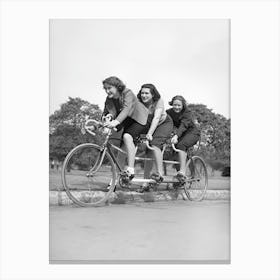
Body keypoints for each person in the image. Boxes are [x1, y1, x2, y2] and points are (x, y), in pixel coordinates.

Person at [102, 76, 149, 180]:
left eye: (109, 88)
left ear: (117, 86)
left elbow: (126, 109)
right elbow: (106, 113)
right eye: (105, 88)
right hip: (126, 121)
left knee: (127, 137)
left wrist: (116, 122)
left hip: (140, 120)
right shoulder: (109, 99)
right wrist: (103, 122)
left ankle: (131, 170)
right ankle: (114, 182)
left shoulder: (127, 93)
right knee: (121, 153)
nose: (107, 91)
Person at [137, 84, 173, 183]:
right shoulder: (139, 102)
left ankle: (160, 174)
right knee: (148, 151)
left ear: (153, 94)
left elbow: (156, 118)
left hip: (164, 124)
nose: (144, 95)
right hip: (151, 124)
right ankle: (146, 182)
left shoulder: (158, 101)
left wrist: (149, 134)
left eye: (146, 93)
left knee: (155, 144)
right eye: (142, 93)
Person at [166, 95, 200, 180]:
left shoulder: (187, 112)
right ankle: (180, 176)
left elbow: (183, 125)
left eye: (179, 105)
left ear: (183, 105)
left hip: (192, 133)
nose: (176, 107)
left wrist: (176, 135)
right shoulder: (169, 112)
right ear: (172, 104)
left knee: (181, 145)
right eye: (175, 105)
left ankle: (183, 171)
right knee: (175, 151)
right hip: (181, 134)